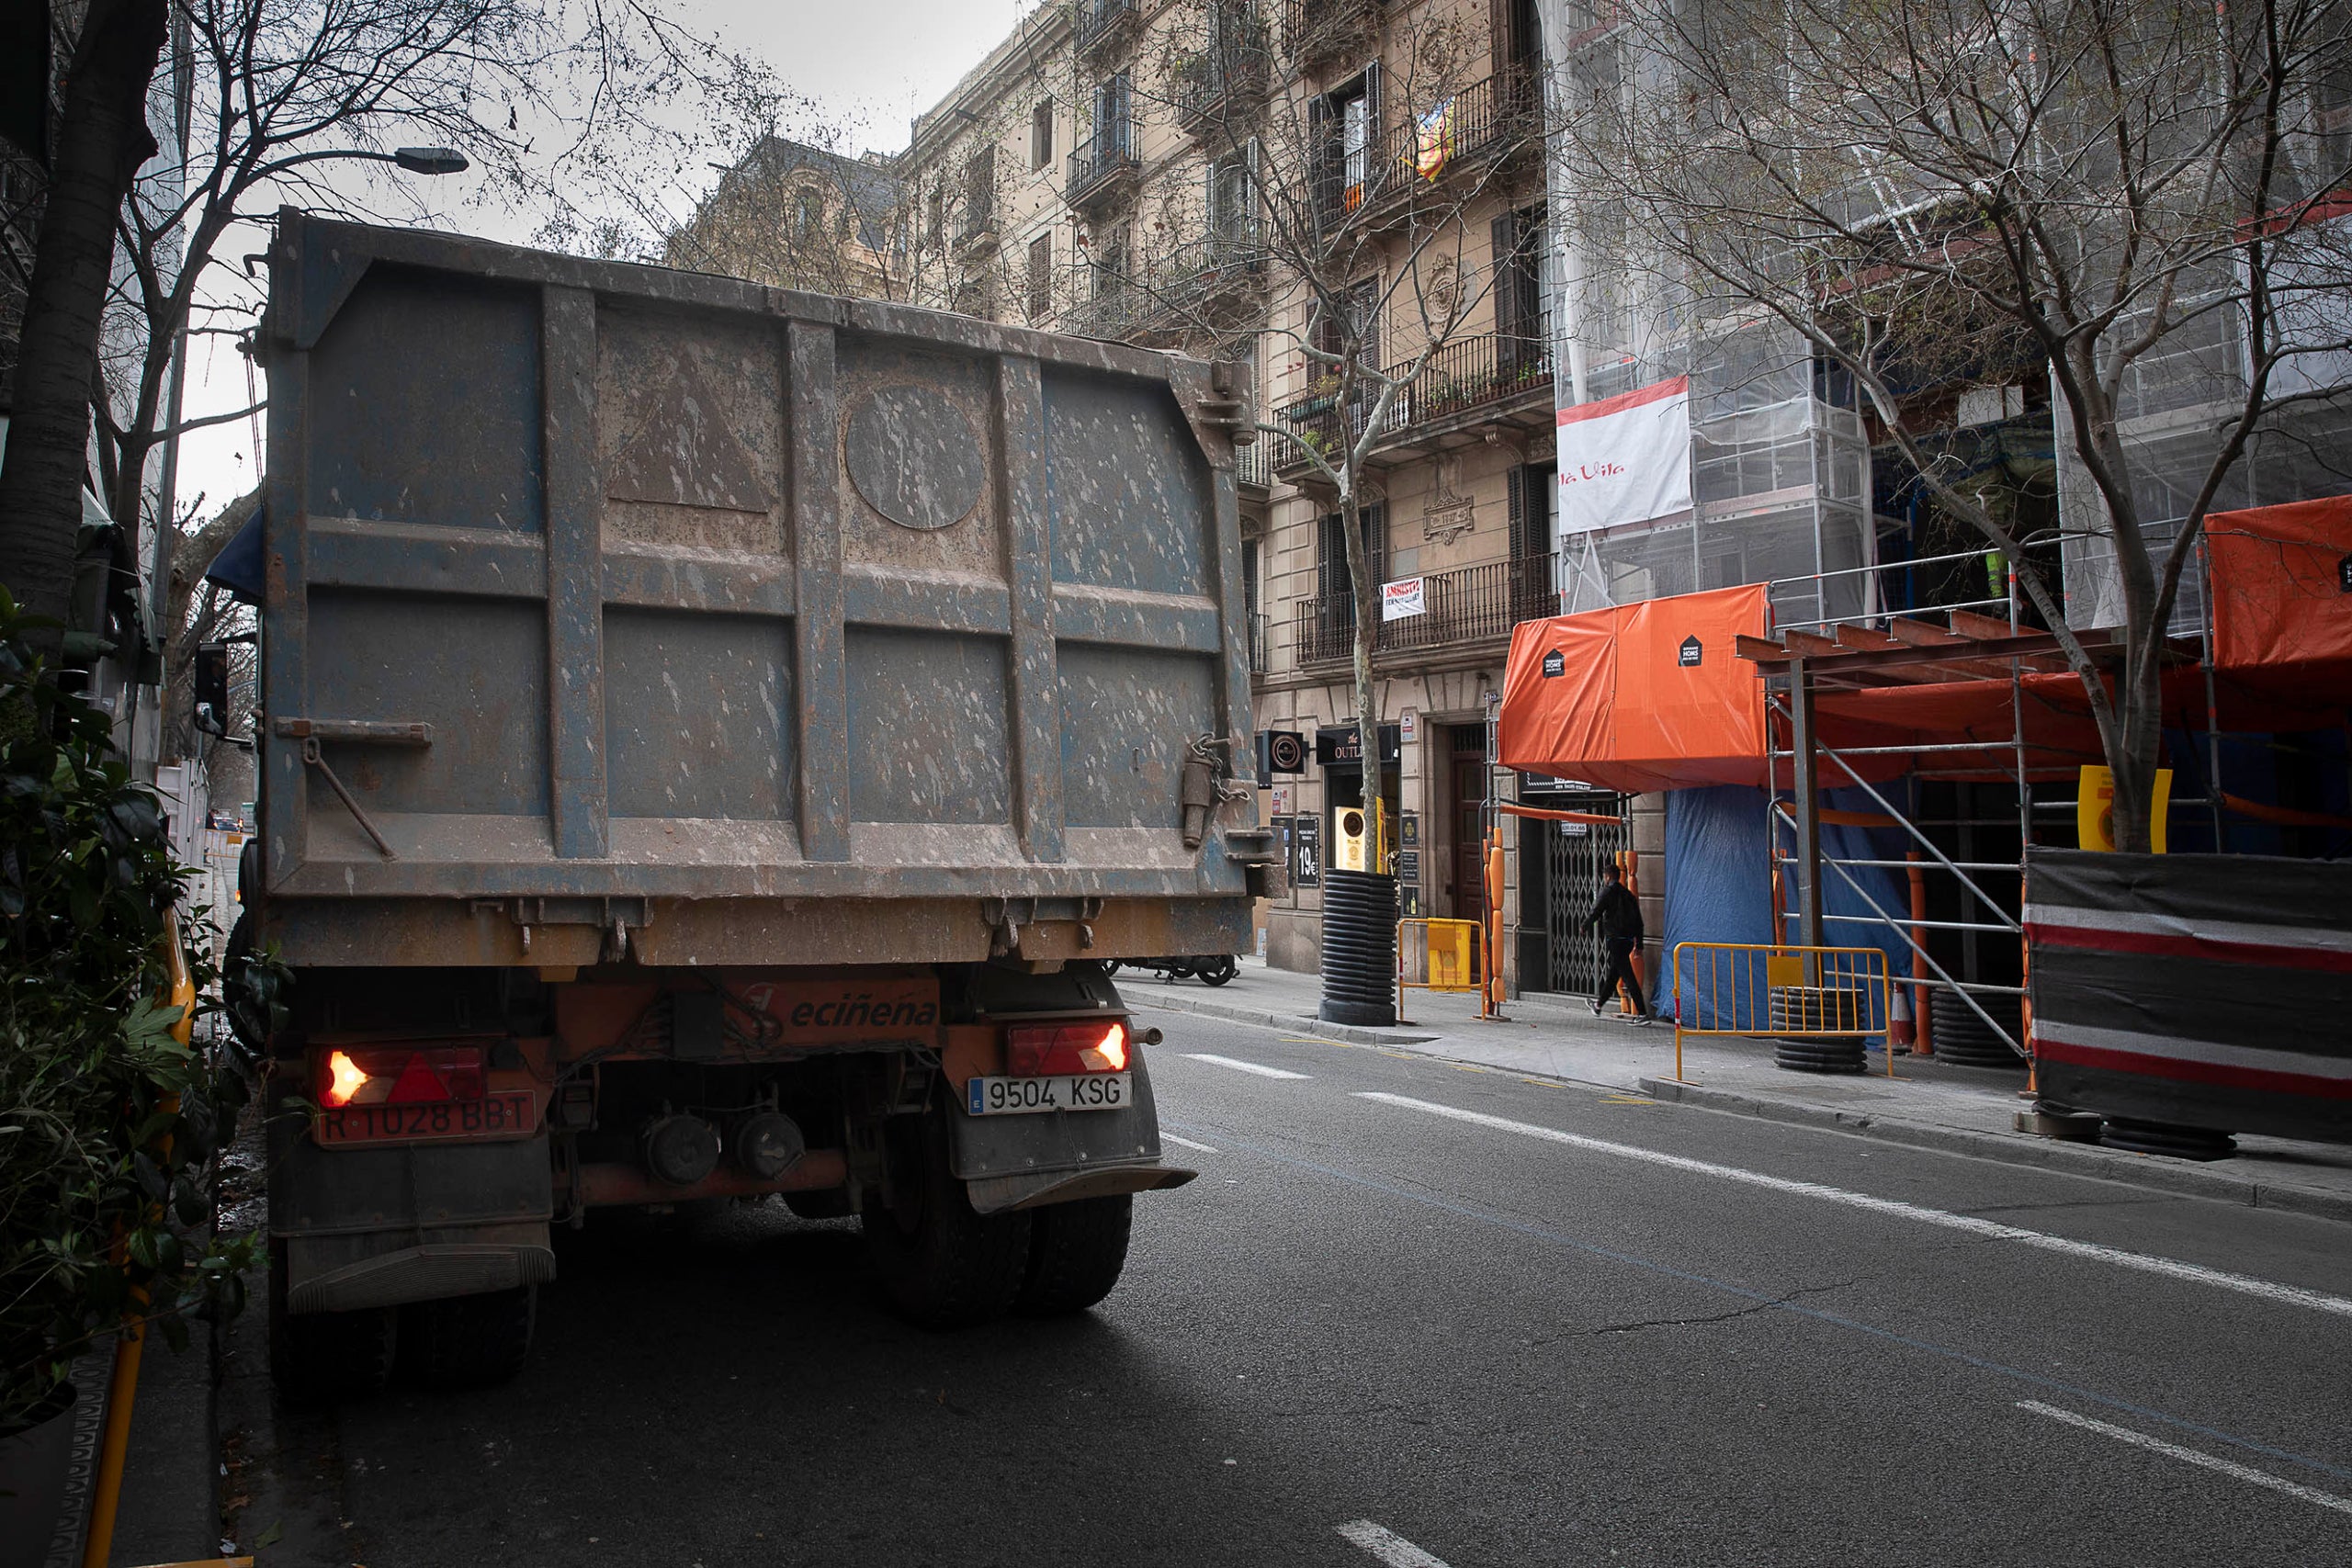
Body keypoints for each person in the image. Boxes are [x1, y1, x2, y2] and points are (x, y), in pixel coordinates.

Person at [1583, 862, 1652, 1025]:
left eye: (1605, 876)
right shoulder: (1629, 895)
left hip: (1615, 938)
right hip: (1628, 939)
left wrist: (1585, 925)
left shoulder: (1607, 892)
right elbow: (1639, 921)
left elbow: (1596, 910)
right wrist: (1639, 943)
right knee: (1614, 974)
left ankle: (1642, 1013)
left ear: (1607, 876)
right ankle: (1598, 1006)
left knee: (1627, 975)